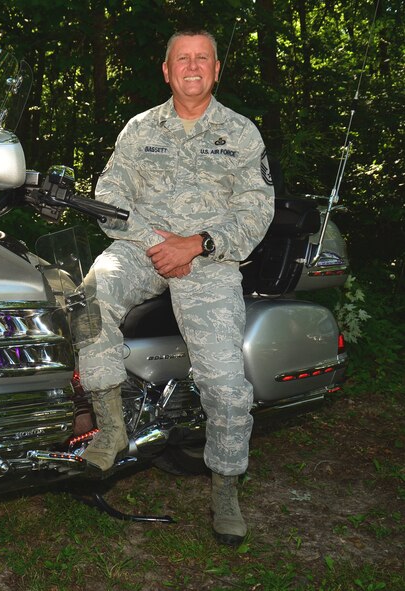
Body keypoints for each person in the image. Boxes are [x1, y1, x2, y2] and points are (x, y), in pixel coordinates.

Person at [77, 29, 275, 546]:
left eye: (202, 58)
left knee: (226, 382)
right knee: (89, 298)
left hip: (210, 260)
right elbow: (109, 195)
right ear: (166, 71)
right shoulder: (140, 128)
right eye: (182, 59)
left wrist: (196, 245)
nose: (192, 66)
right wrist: (158, 243)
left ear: (216, 70)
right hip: (140, 249)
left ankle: (226, 486)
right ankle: (111, 428)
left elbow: (257, 212)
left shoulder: (240, 133)